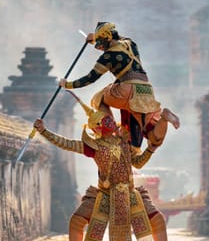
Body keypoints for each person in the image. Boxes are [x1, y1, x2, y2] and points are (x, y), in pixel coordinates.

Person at [33, 92, 180, 241]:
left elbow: (139, 163)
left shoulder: (125, 141)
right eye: (105, 121)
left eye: (109, 119)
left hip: (129, 192)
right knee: (77, 221)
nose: (110, 121)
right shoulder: (93, 146)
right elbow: (66, 143)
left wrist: (150, 150)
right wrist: (44, 131)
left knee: (157, 220)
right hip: (104, 194)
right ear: (96, 128)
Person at [59, 21, 180, 153]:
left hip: (127, 89)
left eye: (101, 42)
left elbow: (90, 78)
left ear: (107, 37)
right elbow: (117, 39)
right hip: (146, 90)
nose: (101, 47)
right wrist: (94, 37)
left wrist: (68, 84)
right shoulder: (130, 43)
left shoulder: (108, 56)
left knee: (98, 99)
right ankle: (164, 118)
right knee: (153, 139)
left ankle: (112, 132)